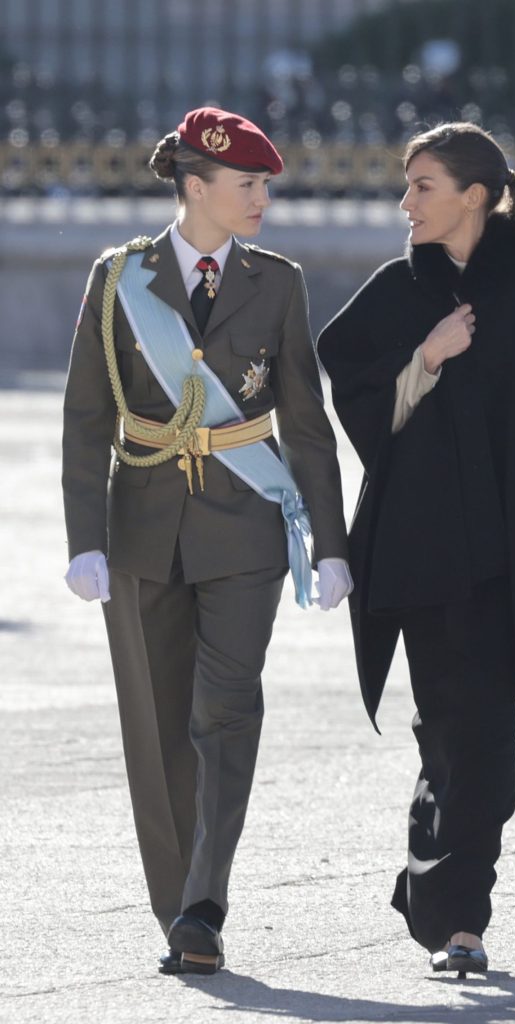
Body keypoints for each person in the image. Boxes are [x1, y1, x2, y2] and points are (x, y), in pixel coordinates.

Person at [62, 106, 352, 975]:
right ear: (196, 187)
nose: (262, 198)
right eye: (248, 184)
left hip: (244, 531)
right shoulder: (119, 279)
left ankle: (203, 904)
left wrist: (330, 542)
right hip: (143, 531)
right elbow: (86, 416)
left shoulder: (279, 281)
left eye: (265, 184)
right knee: (156, 729)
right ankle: (175, 899)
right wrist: (84, 539)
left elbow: (305, 419)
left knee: (224, 714)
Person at [317, 122, 515, 977]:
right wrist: (427, 356)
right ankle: (455, 914)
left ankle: (444, 897)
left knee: (485, 736)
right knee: (455, 728)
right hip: (420, 550)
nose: (405, 203)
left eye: (423, 186)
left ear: (474, 195)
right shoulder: (395, 290)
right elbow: (359, 393)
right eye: (406, 186)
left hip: (511, 551)